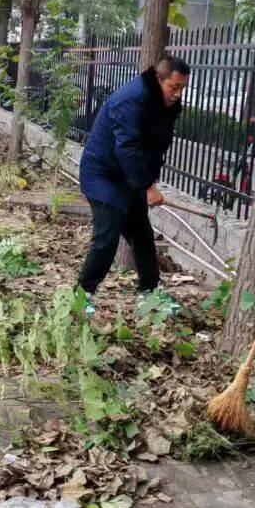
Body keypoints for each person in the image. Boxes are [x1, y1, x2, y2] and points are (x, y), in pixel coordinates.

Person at [76, 55, 190, 314]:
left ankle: (149, 293)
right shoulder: (131, 99)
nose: (179, 94)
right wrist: (148, 186)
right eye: (174, 86)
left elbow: (154, 142)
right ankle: (81, 295)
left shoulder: (162, 102)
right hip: (103, 175)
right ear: (159, 79)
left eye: (183, 87)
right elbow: (127, 147)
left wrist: (148, 176)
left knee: (142, 236)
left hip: (128, 177)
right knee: (107, 238)